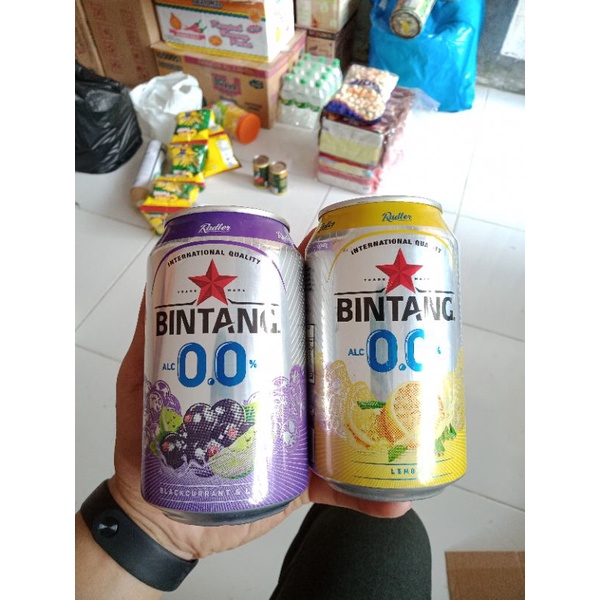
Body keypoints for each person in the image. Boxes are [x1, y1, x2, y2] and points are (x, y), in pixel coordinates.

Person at [75, 232, 432, 599]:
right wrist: (147, 522)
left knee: (389, 530)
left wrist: (144, 527)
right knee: (392, 535)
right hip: (164, 499)